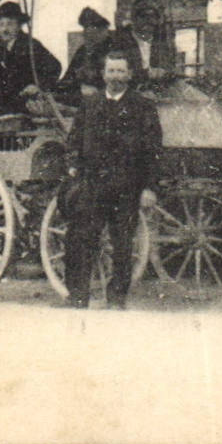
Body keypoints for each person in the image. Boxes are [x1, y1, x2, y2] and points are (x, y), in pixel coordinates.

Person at [62, 51, 161, 310]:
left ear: (129, 75)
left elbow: (153, 150)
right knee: (83, 239)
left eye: (120, 71)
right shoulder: (90, 104)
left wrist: (149, 187)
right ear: (103, 75)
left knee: (122, 244)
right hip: (93, 184)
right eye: (111, 71)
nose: (115, 76)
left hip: (127, 186)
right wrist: (73, 165)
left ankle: (117, 298)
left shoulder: (143, 106)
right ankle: (78, 296)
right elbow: (74, 138)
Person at [0, 1, 61, 115]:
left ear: (19, 25)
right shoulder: (4, 48)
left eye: (10, 24)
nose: (4, 29)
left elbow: (55, 66)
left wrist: (38, 86)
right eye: (1, 25)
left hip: (28, 103)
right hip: (12, 101)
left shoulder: (30, 44)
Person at [56, 7, 115, 108]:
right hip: (80, 97)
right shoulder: (82, 51)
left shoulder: (114, 49)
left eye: (93, 27)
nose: (86, 32)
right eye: (85, 28)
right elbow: (68, 77)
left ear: (103, 29)